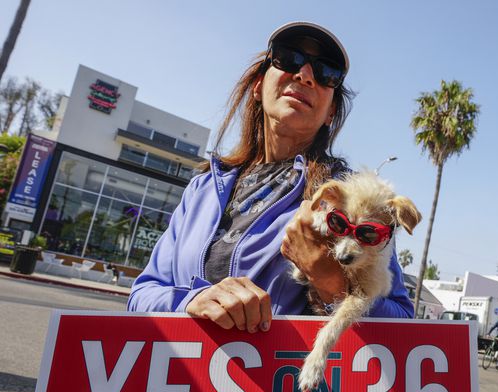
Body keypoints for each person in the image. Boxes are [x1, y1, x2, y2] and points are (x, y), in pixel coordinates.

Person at [127, 22, 413, 330]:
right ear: (258, 86)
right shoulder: (203, 188)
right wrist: (191, 302)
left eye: (326, 72)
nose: (304, 75)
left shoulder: (347, 197)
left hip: (284, 376)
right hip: (180, 375)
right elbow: (141, 295)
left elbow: (401, 320)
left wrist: (331, 284)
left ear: (331, 111)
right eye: (288, 58)